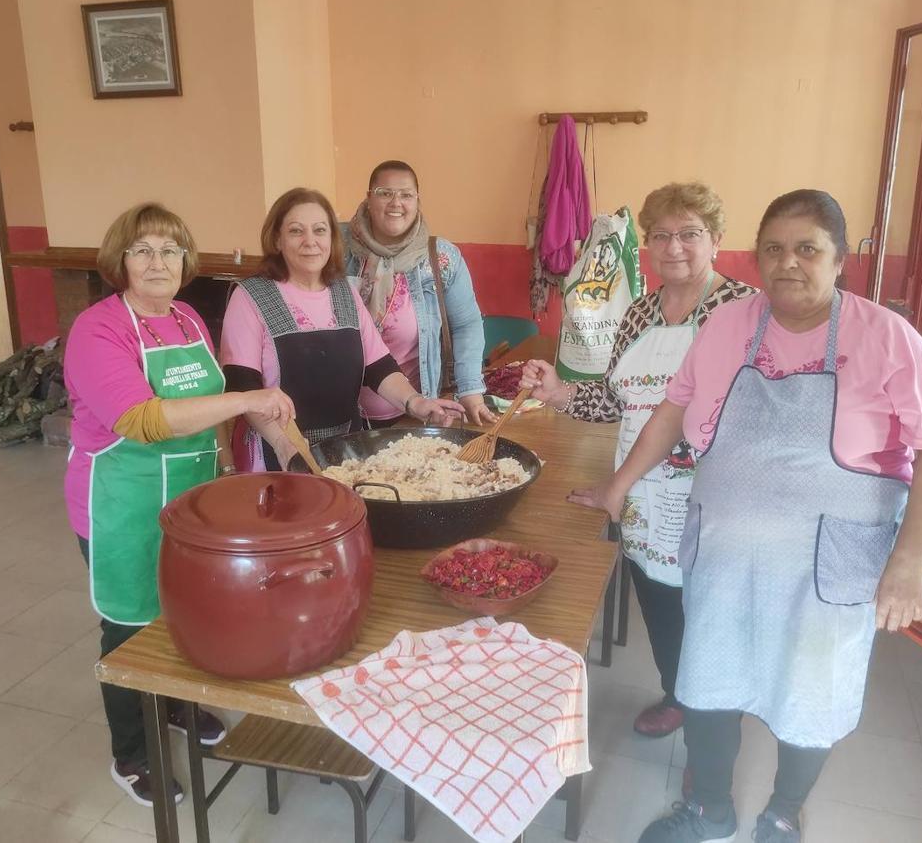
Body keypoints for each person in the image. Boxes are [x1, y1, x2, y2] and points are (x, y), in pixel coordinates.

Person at [570, 190, 922, 843]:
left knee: (810, 691)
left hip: (827, 564)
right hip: (726, 553)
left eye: (807, 248)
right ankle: (709, 809)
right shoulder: (729, 326)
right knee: (707, 681)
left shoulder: (886, 338)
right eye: (774, 249)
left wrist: (910, 562)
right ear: (756, 257)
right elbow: (673, 409)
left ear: (838, 260)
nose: (788, 262)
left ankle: (783, 811)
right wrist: (618, 486)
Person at [64, 203, 295, 806]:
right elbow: (140, 420)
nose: (158, 262)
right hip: (124, 503)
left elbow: (211, 408)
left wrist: (242, 461)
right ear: (120, 260)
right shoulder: (97, 329)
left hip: (192, 497)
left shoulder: (188, 318)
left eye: (170, 249)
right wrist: (248, 398)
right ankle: (132, 754)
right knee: (130, 626)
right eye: (142, 250)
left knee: (184, 611)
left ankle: (173, 706)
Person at [523, 182, 756, 739]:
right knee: (659, 602)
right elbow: (616, 399)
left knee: (715, 617)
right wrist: (559, 392)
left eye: (690, 234)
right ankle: (677, 693)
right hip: (642, 497)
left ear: (717, 240)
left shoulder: (744, 310)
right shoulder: (638, 313)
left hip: (714, 500)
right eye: (661, 235)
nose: (674, 247)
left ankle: (715, 732)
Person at [221, 187, 464, 470]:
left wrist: (415, 403)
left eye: (320, 230)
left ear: (332, 239)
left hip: (345, 453)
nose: (310, 241)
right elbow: (243, 388)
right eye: (296, 231)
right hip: (275, 454)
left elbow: (379, 367)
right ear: (277, 239)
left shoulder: (344, 292)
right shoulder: (250, 297)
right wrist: (283, 443)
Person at [344, 159, 493, 426]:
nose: (396, 203)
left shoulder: (441, 257)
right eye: (385, 193)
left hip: (414, 416)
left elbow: (466, 325)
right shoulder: (336, 250)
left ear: (417, 200)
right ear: (369, 198)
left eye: (406, 195)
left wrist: (470, 390)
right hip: (342, 416)